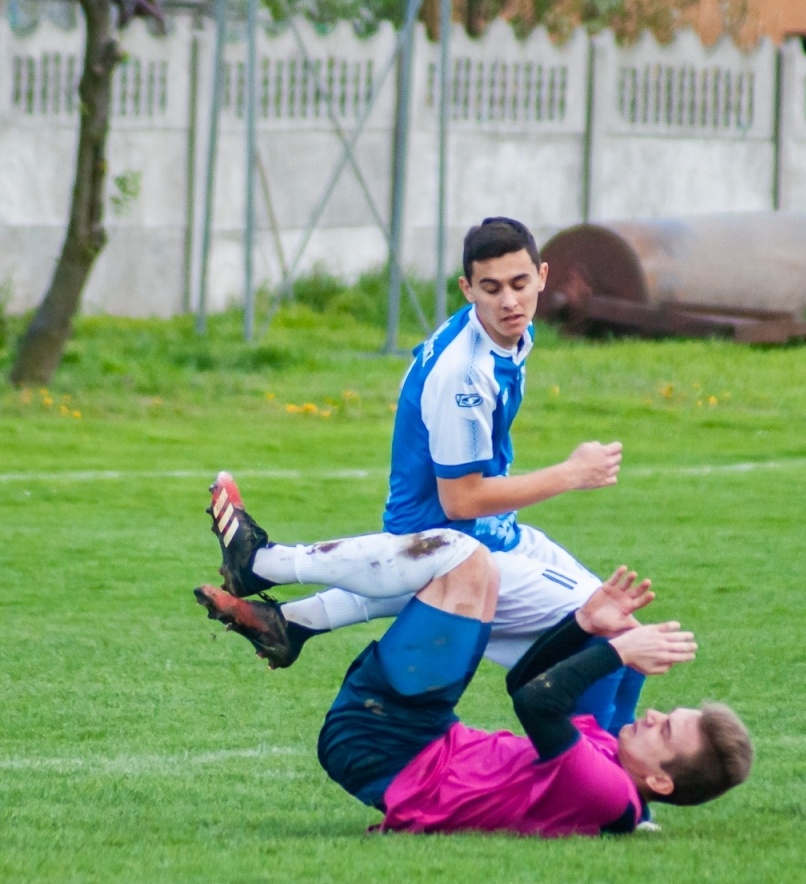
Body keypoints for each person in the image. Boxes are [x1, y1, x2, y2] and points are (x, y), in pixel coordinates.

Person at [202, 217, 645, 735]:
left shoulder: (500, 333)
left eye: (520, 284)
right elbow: (461, 501)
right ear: (467, 288)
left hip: (487, 534)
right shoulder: (465, 376)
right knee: (610, 640)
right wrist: (571, 473)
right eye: (492, 288)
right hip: (458, 544)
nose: (509, 301)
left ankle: (290, 620)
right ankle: (604, 788)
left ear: (543, 276)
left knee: (626, 641)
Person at [200, 544, 752, 837]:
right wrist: (584, 624)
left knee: (463, 559)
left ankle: (267, 571)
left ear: (659, 779)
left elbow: (536, 703)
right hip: (410, 735)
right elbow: (525, 683)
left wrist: (614, 652)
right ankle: (287, 619)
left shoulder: (610, 794)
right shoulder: (609, 761)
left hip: (385, 743)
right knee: (475, 571)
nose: (654, 714)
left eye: (667, 729)